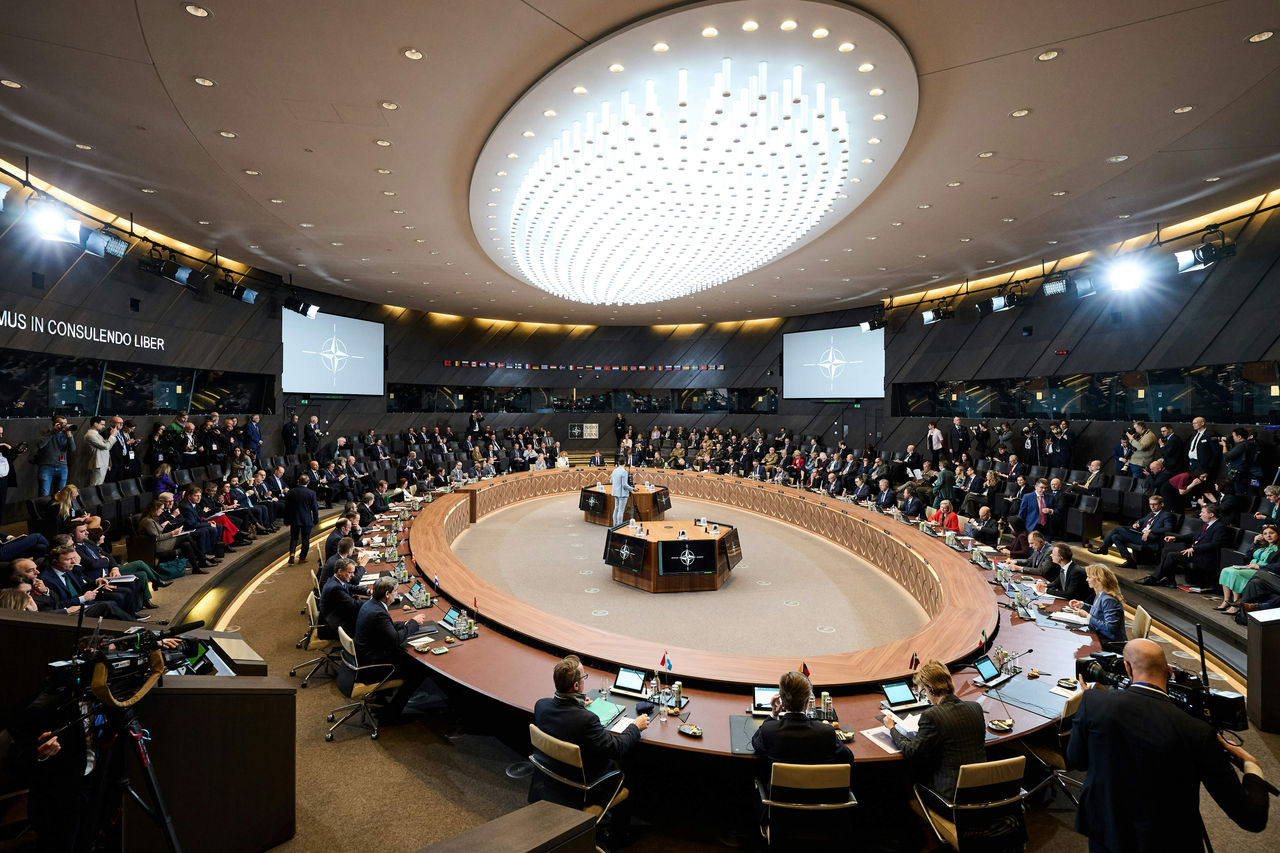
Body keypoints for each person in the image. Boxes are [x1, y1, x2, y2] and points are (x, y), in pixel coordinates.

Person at [1065, 639, 1269, 852]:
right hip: (1168, 843)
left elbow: (1076, 760)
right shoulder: (1198, 732)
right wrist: (1251, 765)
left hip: (1106, 835)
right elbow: (1251, 817)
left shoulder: (1093, 702)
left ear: (1127, 668)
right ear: (1169, 671)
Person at [530, 655, 649, 834]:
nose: (585, 681)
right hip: (583, 789)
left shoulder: (541, 706)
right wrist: (635, 726)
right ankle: (620, 834)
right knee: (629, 765)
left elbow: (564, 720)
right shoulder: (586, 721)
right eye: (583, 678)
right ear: (576, 686)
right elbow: (616, 748)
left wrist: (578, 707)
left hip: (551, 779)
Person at [883, 660, 986, 812]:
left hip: (950, 799)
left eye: (923, 690)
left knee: (908, 781)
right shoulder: (975, 708)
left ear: (930, 689)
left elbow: (913, 752)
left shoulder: (932, 715)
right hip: (982, 792)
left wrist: (892, 729)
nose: (925, 694)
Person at [751, 670, 853, 796]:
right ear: (806, 702)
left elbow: (755, 742)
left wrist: (774, 714)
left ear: (782, 699)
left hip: (780, 804)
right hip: (821, 802)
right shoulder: (826, 732)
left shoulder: (769, 731)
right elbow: (848, 757)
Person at [353, 577, 429, 721]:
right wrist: (413, 623)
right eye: (395, 592)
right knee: (418, 670)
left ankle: (382, 696)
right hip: (372, 664)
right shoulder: (378, 612)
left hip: (365, 655)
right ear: (387, 594)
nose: (397, 594)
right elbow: (395, 640)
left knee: (405, 658)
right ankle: (392, 713)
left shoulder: (371, 604)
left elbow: (385, 627)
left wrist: (404, 624)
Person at [1142, 504, 1226, 587]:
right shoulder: (1206, 524)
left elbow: (1215, 544)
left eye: (1203, 512)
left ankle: (1155, 578)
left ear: (1211, 515)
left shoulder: (1219, 527)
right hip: (1195, 552)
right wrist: (1175, 538)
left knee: (1172, 555)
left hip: (1203, 556)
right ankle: (1169, 580)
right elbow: (1193, 536)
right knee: (1166, 551)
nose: (1200, 514)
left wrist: (1194, 549)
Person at [1090, 495, 1176, 567]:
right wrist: (1136, 523)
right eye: (1150, 504)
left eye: (1155, 504)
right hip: (1140, 535)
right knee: (1115, 537)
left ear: (1162, 504)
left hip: (1149, 539)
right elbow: (1141, 520)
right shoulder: (1151, 513)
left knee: (1117, 529)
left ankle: (1104, 548)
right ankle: (1130, 561)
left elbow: (1169, 528)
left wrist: (1151, 530)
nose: (1152, 507)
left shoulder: (1166, 515)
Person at [1219, 524, 1279, 615]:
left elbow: (1277, 566)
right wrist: (1254, 543)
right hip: (1251, 567)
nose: (1268, 536)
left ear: (1278, 534)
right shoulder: (1263, 545)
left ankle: (1235, 604)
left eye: (1271, 533)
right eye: (1265, 534)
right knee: (1226, 570)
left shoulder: (1278, 549)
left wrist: (1259, 567)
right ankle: (1226, 600)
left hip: (1264, 571)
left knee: (1236, 573)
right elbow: (1247, 557)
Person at [1067, 565, 1126, 647]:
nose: (1086, 579)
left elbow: (1110, 627)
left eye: (1089, 577)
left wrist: (1087, 616)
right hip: (1099, 635)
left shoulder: (1109, 599)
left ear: (1099, 579)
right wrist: (1083, 605)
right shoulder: (1100, 594)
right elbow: (1099, 612)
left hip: (1109, 642)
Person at [35, 415, 77, 496]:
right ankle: (44, 509)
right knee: (44, 494)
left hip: (62, 467)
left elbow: (72, 449)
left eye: (65, 423)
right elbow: (40, 445)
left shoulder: (66, 435)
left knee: (61, 494)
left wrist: (69, 436)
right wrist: (52, 432)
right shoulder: (45, 432)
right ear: (54, 424)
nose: (64, 425)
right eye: (62, 423)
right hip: (47, 467)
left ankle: (57, 509)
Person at [285, 473, 320, 565]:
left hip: (294, 519)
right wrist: (316, 520)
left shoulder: (291, 492)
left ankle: (292, 554)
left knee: (294, 538)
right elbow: (315, 508)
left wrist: (286, 520)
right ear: (308, 482)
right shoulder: (311, 493)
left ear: (298, 482)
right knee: (305, 539)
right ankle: (302, 558)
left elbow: (287, 508)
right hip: (306, 520)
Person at [83, 416, 111, 487]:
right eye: (102, 424)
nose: (104, 427)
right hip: (97, 463)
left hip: (102, 463)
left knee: (99, 485)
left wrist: (107, 463)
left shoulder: (96, 434)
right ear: (95, 424)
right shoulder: (90, 435)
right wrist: (112, 436)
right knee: (95, 486)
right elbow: (105, 447)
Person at [610, 461, 632, 527]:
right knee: (620, 510)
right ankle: (619, 526)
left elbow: (611, 481)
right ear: (624, 463)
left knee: (616, 508)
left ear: (618, 463)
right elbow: (624, 485)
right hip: (622, 494)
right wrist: (632, 489)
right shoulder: (624, 472)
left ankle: (615, 525)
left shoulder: (614, 471)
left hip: (615, 492)